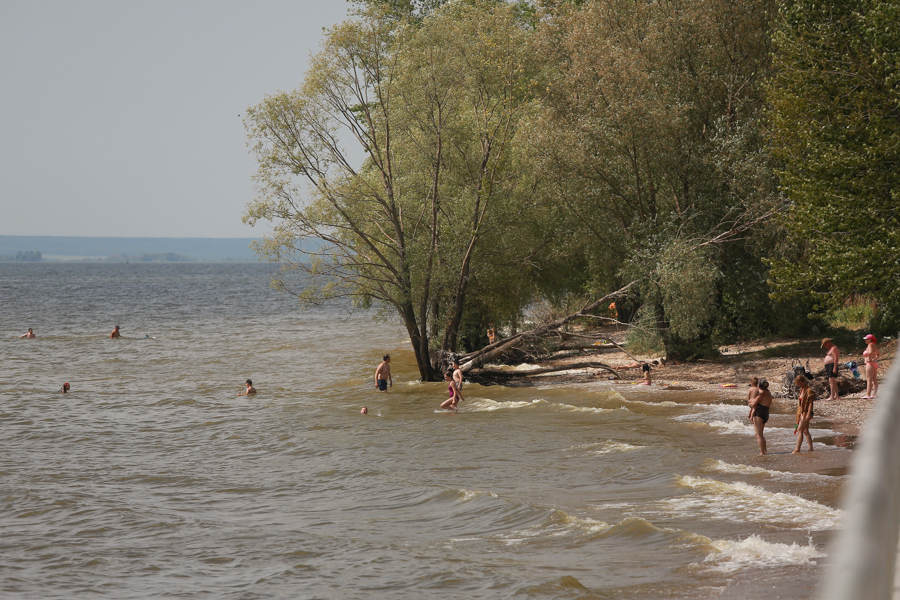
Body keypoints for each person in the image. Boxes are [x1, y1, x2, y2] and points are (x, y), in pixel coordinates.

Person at [793, 375, 816, 453]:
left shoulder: (809, 391)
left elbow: (811, 404)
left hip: (806, 412)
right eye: (798, 384)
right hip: (802, 412)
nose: (799, 385)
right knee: (805, 431)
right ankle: (811, 448)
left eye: (800, 383)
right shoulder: (802, 390)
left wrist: (808, 414)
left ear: (804, 381)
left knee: (799, 430)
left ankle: (797, 449)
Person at [749, 380, 772, 455]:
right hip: (765, 413)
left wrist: (749, 402)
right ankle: (765, 451)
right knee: (761, 435)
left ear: (759, 386)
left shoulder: (760, 395)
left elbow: (753, 404)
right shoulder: (768, 393)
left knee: (758, 435)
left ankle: (762, 453)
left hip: (759, 413)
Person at [862, 333, 880, 399]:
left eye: (867, 339)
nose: (865, 340)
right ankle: (874, 394)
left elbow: (870, 352)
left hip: (870, 364)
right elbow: (878, 354)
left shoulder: (870, 345)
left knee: (869, 379)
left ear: (870, 340)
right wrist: (875, 359)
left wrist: (869, 359)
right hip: (874, 363)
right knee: (875, 379)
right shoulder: (874, 345)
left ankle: (868, 394)